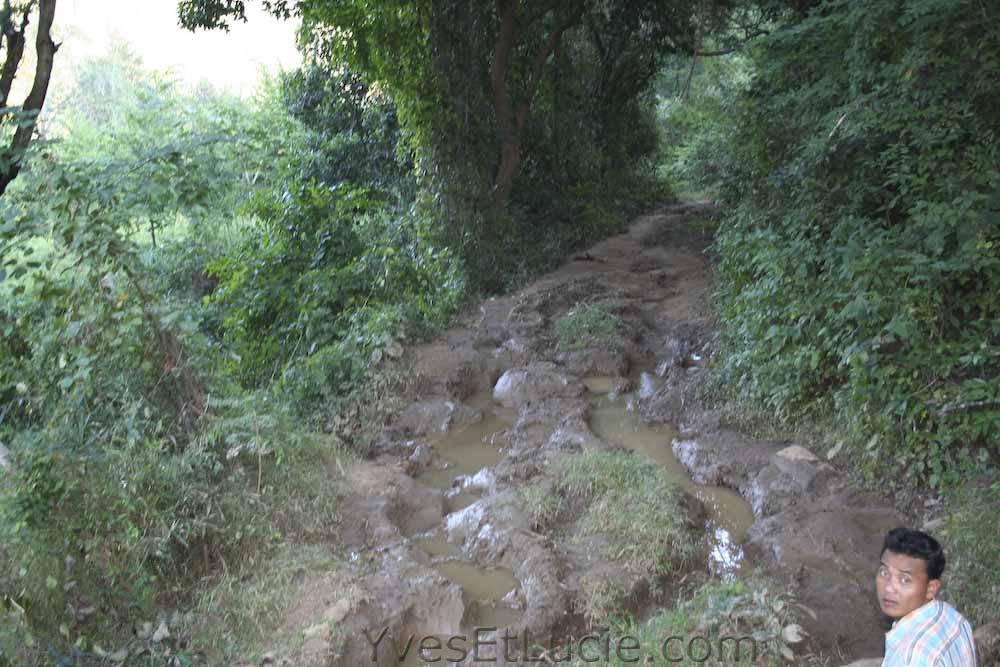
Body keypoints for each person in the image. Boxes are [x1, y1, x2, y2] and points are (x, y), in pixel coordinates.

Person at [876, 526, 977, 666]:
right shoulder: (952, 618)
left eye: (904, 580)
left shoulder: (911, 659)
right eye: (884, 572)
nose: (888, 588)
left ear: (931, 589)